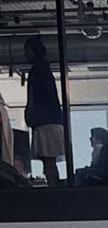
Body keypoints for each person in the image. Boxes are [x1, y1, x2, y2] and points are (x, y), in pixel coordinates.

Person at [23, 36, 65, 186]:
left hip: (44, 122)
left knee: (47, 159)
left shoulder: (38, 71)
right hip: (49, 120)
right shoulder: (43, 69)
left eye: (28, 51)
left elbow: (35, 96)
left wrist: (32, 114)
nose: (26, 54)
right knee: (48, 159)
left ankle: (53, 186)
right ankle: (54, 185)